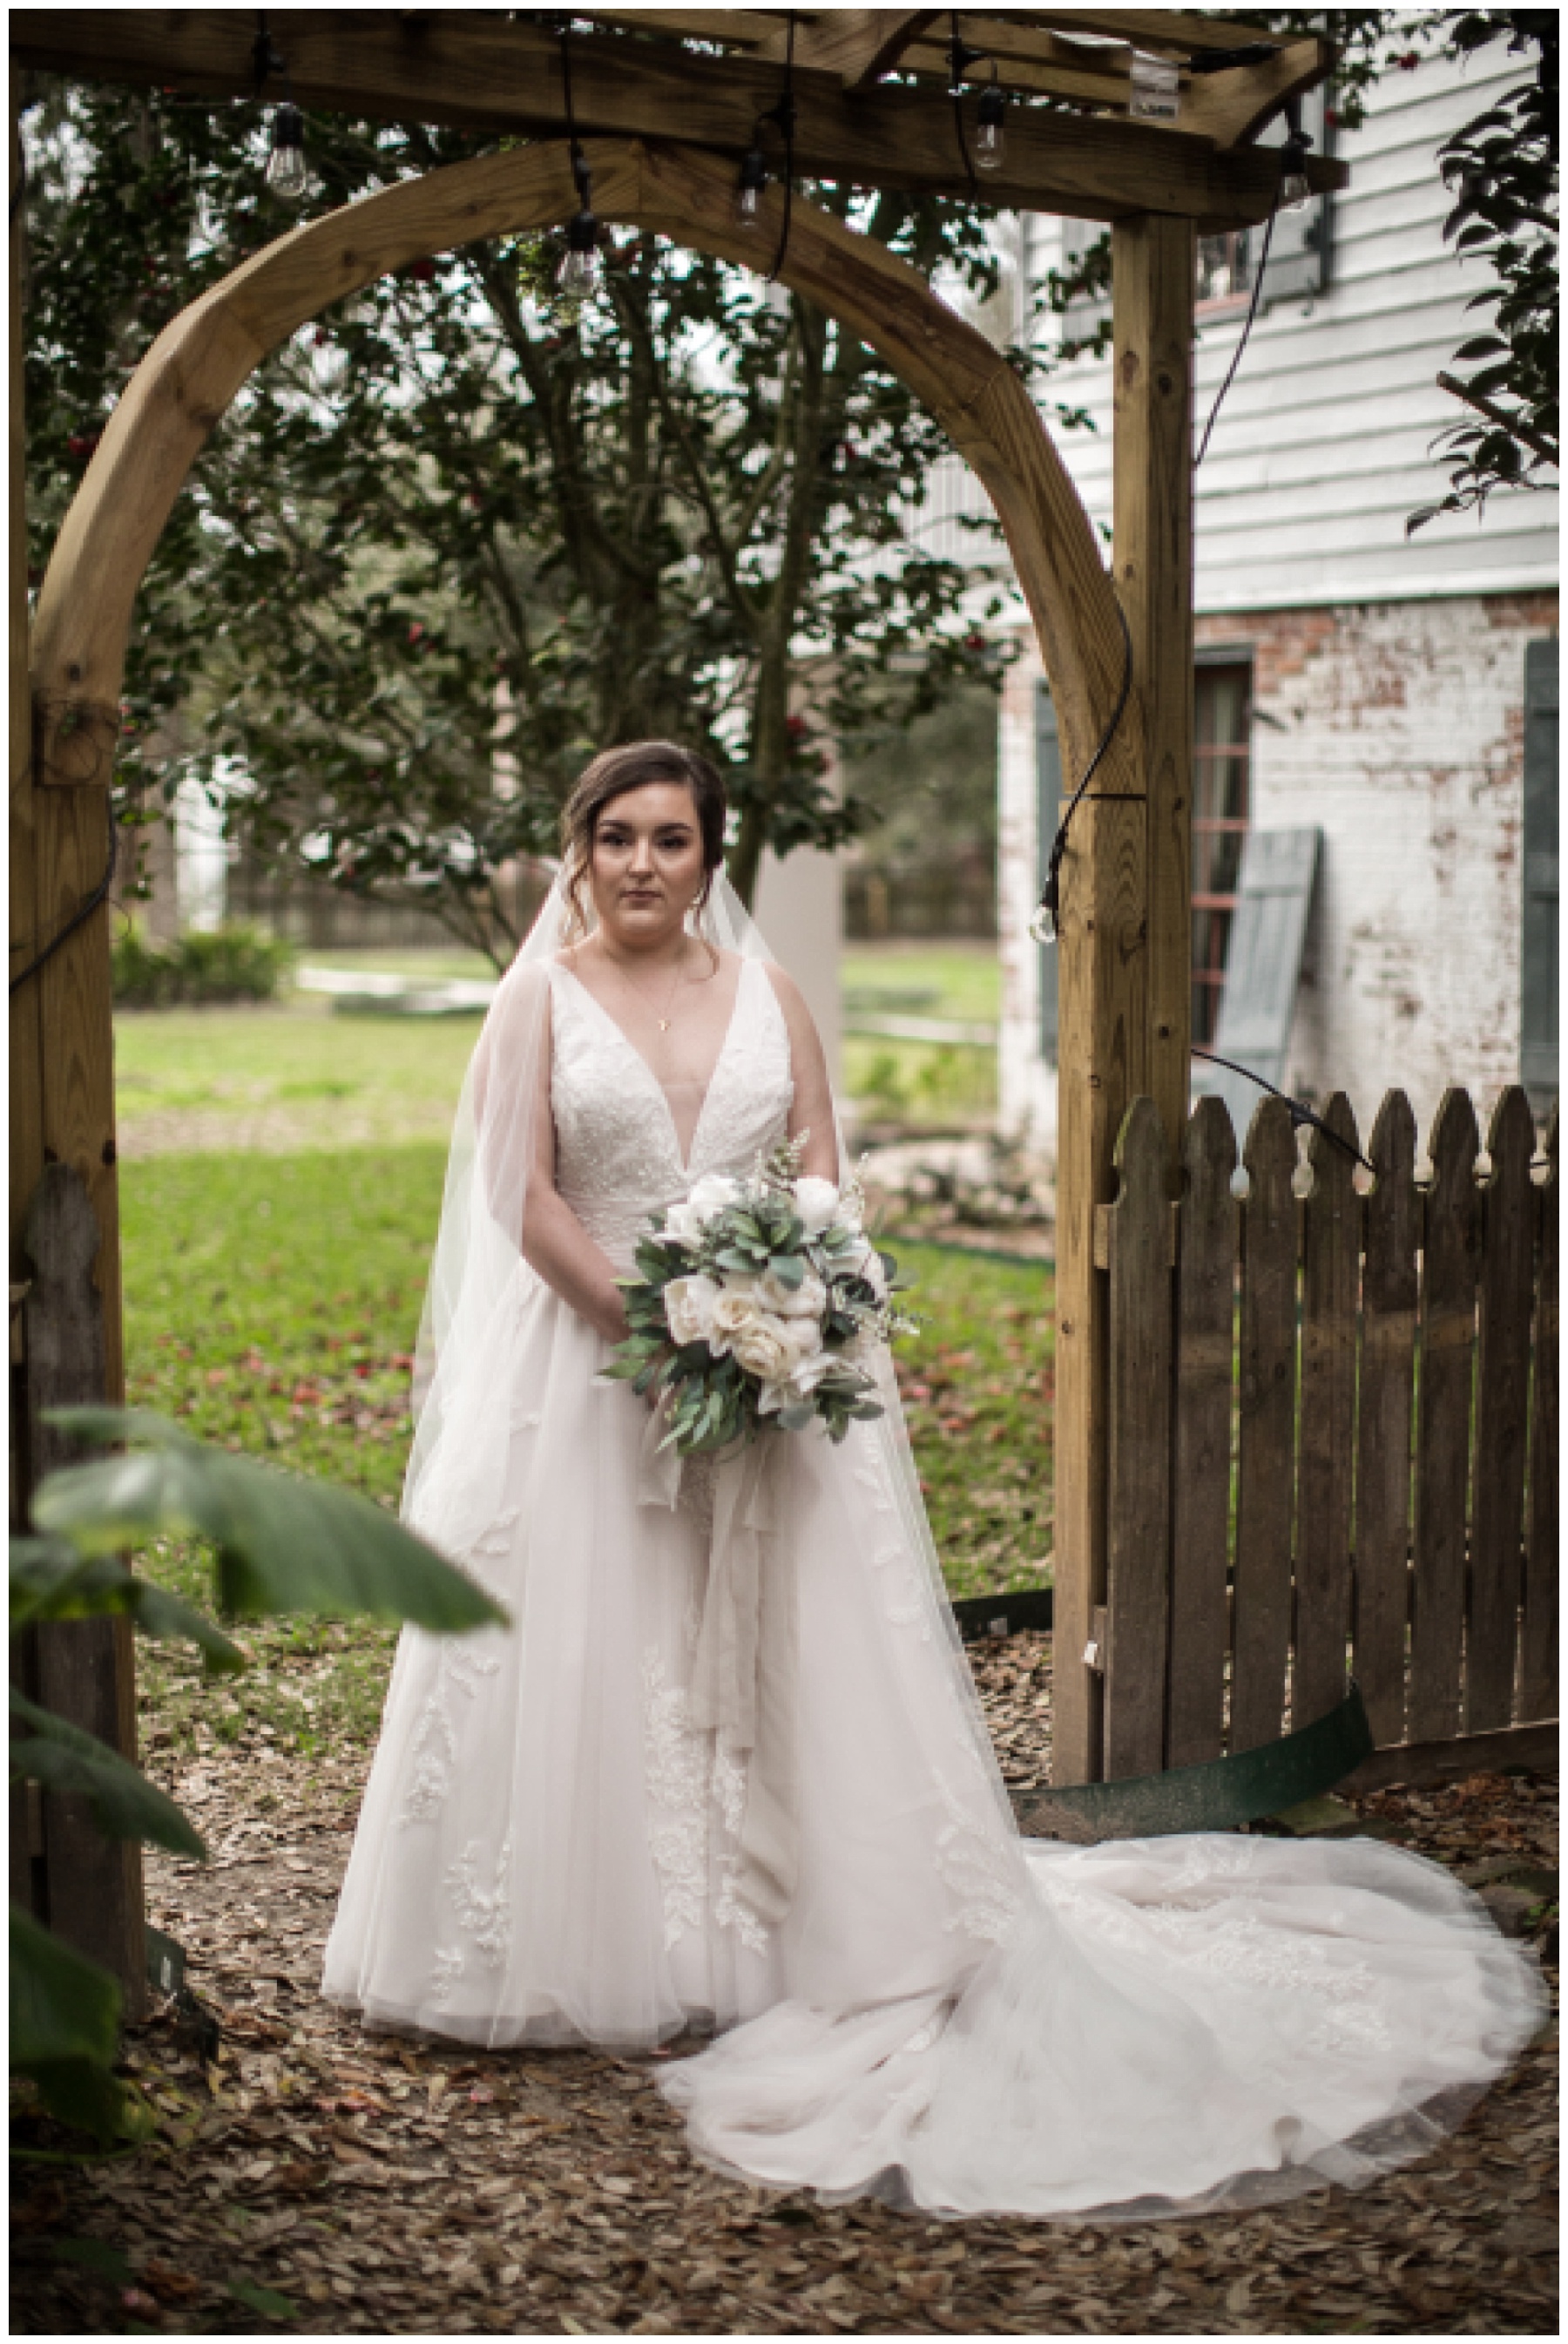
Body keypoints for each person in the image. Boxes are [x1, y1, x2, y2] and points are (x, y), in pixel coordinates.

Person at [323, 741, 1543, 2220]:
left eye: (673, 839)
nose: (645, 863)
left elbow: (820, 1161)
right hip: (588, 1379)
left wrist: (798, 1306)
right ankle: (606, 1943)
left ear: (713, 854)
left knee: (788, 1642)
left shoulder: (768, 993)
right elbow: (520, 1200)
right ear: (576, 851)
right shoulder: (535, 999)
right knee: (600, 1645)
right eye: (617, 838)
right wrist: (657, 1336)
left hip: (771, 1375)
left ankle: (790, 1930)